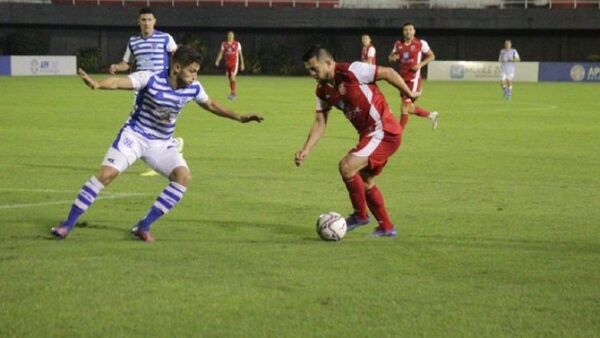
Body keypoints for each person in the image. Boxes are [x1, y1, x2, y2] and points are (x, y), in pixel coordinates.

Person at [51, 46, 263, 242]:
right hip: (135, 136)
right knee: (106, 175)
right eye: (192, 71)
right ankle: (67, 224)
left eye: (196, 71)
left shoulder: (193, 87)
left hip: (161, 143)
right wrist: (98, 84)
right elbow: (119, 82)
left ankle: (143, 226)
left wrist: (240, 117)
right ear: (177, 67)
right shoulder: (150, 78)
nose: (195, 76)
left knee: (183, 177)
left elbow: (211, 104)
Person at [295, 45, 418, 237]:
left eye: (314, 69)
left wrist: (409, 94)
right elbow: (320, 121)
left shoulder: (352, 70)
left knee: (346, 166)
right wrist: (306, 149)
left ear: (328, 63)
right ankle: (386, 227)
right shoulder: (322, 91)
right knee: (365, 181)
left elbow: (387, 72)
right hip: (370, 135)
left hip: (383, 130)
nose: (312, 74)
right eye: (309, 70)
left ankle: (360, 216)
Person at [108, 7, 182, 177]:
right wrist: (117, 67)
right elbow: (126, 63)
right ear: (138, 22)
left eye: (149, 20)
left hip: (161, 89)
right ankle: (172, 146)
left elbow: (178, 57)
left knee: (138, 126)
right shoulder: (133, 41)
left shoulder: (165, 38)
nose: (146, 23)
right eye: (143, 20)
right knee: (145, 125)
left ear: (154, 21)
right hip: (141, 89)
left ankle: (151, 158)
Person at [389, 22, 439, 130]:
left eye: (410, 29)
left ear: (414, 31)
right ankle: (432, 115)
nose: (408, 32)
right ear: (403, 32)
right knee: (410, 108)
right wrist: (392, 57)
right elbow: (391, 57)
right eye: (406, 30)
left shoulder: (420, 43)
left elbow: (432, 56)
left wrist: (420, 65)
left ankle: (397, 134)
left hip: (413, 80)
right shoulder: (398, 44)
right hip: (402, 80)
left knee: (404, 106)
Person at [215, 31, 245, 100]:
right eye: (229, 35)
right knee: (230, 79)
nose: (230, 36)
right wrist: (217, 60)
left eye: (232, 35)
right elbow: (221, 53)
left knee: (232, 77)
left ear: (233, 36)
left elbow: (240, 54)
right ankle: (232, 93)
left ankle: (234, 94)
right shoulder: (224, 44)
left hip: (234, 64)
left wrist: (242, 64)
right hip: (227, 64)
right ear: (227, 36)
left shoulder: (237, 44)